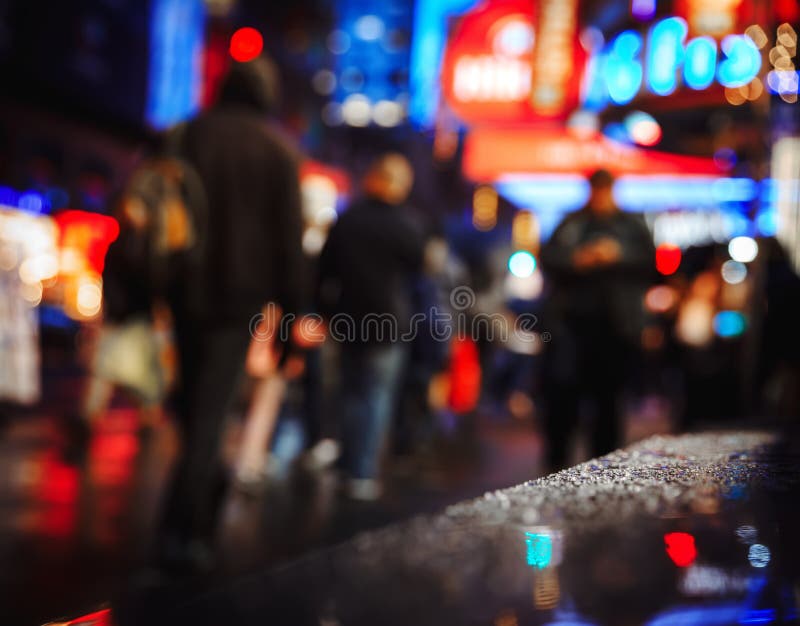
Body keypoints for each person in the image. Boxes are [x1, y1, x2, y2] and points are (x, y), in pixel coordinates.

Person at [157, 56, 306, 572]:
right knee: (209, 410)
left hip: (179, 289)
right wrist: (292, 318)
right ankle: (185, 528)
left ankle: (191, 509)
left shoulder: (185, 135)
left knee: (192, 402)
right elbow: (290, 244)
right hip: (238, 300)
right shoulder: (279, 152)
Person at [317, 153, 424, 500]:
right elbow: (420, 271)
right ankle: (362, 472)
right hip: (389, 322)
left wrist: (324, 312)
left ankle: (348, 466)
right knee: (375, 396)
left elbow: (324, 270)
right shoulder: (407, 224)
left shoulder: (348, 219)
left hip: (348, 319)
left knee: (349, 393)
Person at [540, 169, 655, 470]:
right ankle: (557, 466)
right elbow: (548, 257)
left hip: (615, 329)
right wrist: (578, 259)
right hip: (571, 328)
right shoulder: (573, 223)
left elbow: (650, 263)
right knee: (563, 401)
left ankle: (603, 465)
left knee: (608, 403)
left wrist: (617, 255)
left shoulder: (631, 226)